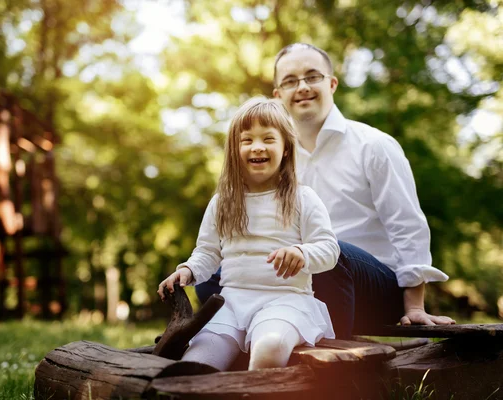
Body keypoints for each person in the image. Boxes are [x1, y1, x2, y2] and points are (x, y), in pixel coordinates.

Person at [195, 43, 455, 339]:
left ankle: (328, 355)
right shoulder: (274, 158)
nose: (302, 87)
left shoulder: (374, 145)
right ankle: (251, 331)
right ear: (278, 95)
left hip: (370, 288)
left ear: (332, 83)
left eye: (312, 76)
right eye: (290, 81)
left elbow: (407, 225)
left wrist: (414, 306)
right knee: (213, 276)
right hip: (293, 285)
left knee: (329, 251)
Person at [157, 97, 339, 371]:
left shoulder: (303, 197)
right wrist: (188, 271)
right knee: (198, 361)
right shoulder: (222, 202)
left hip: (286, 302)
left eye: (268, 138)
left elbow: (329, 249)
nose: (257, 147)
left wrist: (302, 252)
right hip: (230, 305)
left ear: (286, 149)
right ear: (234, 149)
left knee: (271, 346)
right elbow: (207, 252)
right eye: (247, 140)